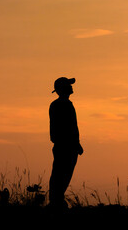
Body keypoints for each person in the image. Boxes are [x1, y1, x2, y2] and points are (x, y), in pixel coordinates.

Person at [49, 77, 83, 209]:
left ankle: (56, 201)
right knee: (61, 175)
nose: (71, 87)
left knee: (63, 174)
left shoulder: (64, 104)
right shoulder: (61, 105)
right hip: (65, 147)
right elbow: (65, 129)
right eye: (69, 85)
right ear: (62, 89)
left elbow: (71, 128)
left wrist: (76, 144)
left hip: (67, 146)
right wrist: (74, 144)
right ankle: (56, 203)